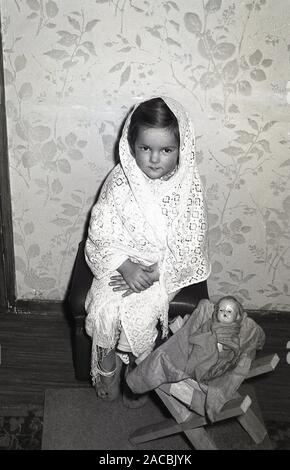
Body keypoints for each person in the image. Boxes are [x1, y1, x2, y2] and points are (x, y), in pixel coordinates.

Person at [84, 96, 210, 405]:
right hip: (118, 265)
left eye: (166, 150)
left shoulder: (186, 189)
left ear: (182, 148)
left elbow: (190, 241)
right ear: (131, 145)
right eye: (145, 148)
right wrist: (125, 266)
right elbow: (101, 230)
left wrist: (156, 273)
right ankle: (108, 365)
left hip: (158, 271)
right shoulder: (119, 180)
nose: (154, 159)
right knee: (104, 309)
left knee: (139, 320)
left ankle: (136, 375)